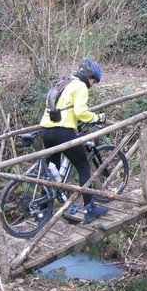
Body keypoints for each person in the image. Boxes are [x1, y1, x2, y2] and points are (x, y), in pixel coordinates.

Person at [40, 59, 108, 222]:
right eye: (94, 81)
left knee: (51, 169)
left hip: (46, 131)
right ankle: (89, 209)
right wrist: (98, 118)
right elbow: (80, 111)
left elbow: (63, 107)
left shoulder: (64, 82)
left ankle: (43, 210)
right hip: (63, 132)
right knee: (83, 166)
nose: (92, 84)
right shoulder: (81, 86)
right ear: (90, 78)